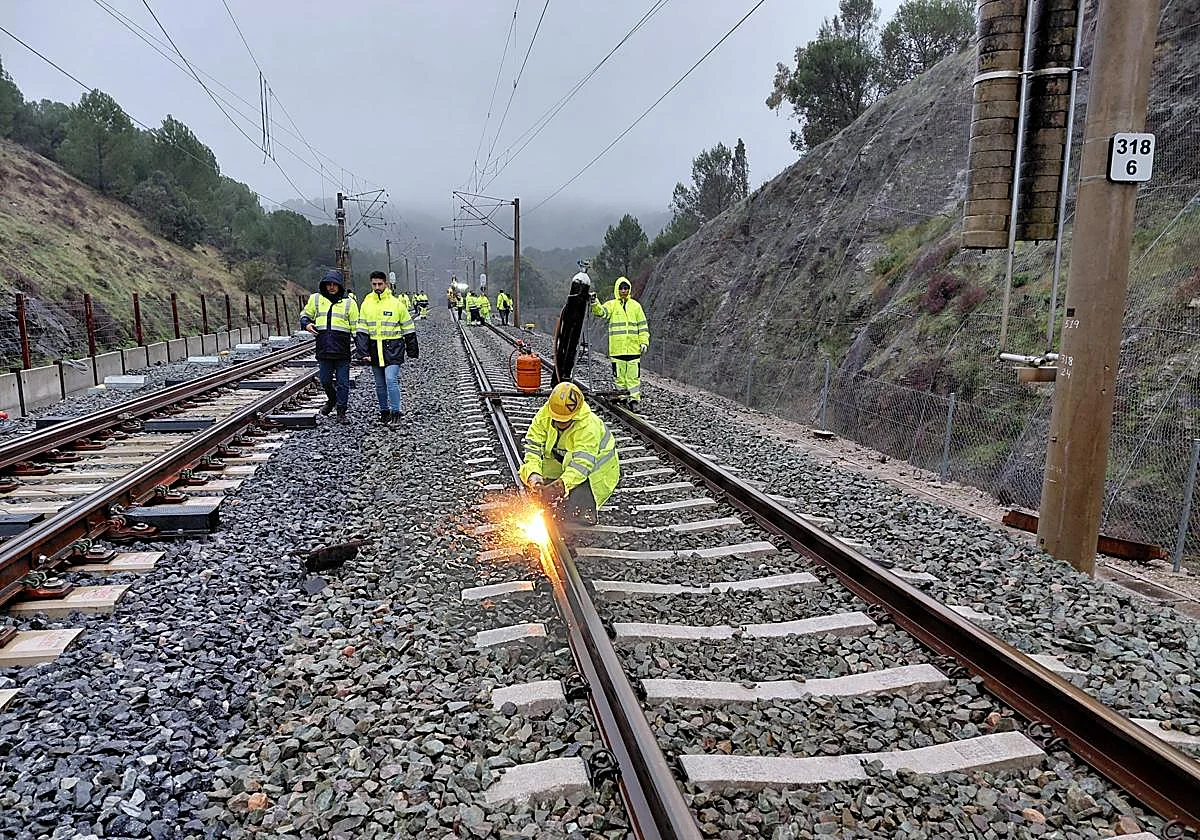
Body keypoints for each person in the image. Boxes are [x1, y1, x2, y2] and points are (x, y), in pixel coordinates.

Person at [519, 381, 620, 525]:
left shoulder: (588, 426)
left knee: (575, 512)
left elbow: (581, 465)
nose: (560, 423)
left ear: (575, 415)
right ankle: (559, 497)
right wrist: (534, 476)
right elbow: (533, 448)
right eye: (557, 419)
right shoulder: (545, 414)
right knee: (546, 493)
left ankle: (586, 509)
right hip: (564, 463)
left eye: (564, 420)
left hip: (595, 473)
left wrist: (560, 486)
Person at [355, 271, 419, 424]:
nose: (377, 287)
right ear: (371, 284)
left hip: (393, 349)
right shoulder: (366, 304)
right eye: (374, 284)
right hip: (374, 349)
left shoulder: (396, 304)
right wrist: (362, 352)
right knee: (379, 384)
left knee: (391, 380)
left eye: (380, 284)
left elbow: (408, 328)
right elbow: (362, 329)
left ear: (386, 284)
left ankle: (396, 412)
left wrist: (412, 350)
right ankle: (384, 411)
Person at [299, 269, 358, 423]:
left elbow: (356, 328)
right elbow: (305, 315)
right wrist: (306, 324)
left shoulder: (349, 303)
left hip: (342, 350)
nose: (331, 287)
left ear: (339, 286)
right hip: (324, 348)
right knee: (325, 380)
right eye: (328, 284)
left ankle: (341, 412)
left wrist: (361, 349)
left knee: (343, 383)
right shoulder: (316, 299)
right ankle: (332, 400)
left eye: (334, 284)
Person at [590, 276, 650, 410]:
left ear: (629, 289)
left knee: (633, 378)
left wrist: (644, 342)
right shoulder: (612, 305)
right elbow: (601, 312)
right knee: (620, 378)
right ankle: (622, 398)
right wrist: (594, 302)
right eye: (621, 288)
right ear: (617, 289)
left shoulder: (636, 306)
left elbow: (643, 326)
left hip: (634, 350)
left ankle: (634, 401)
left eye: (626, 288)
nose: (624, 290)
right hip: (617, 350)